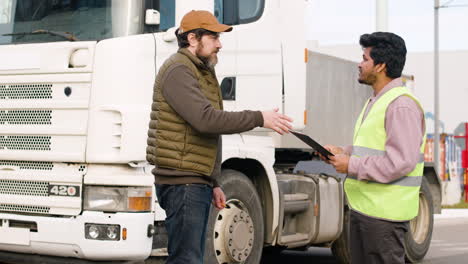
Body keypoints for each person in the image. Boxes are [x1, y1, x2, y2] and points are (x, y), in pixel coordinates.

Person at [146, 10, 292, 264]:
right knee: (186, 259)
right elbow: (206, 120)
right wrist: (259, 117)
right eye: (213, 37)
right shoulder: (179, 70)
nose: (219, 44)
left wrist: (212, 180)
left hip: (194, 181)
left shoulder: (199, 70)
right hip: (183, 183)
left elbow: (210, 132)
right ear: (193, 39)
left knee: (190, 257)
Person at [320, 32, 426, 264]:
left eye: (365, 59)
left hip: (384, 217)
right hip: (368, 211)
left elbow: (401, 162)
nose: (359, 64)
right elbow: (373, 148)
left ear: (380, 66)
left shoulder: (401, 106)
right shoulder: (377, 101)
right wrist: (343, 151)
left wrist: (352, 164)